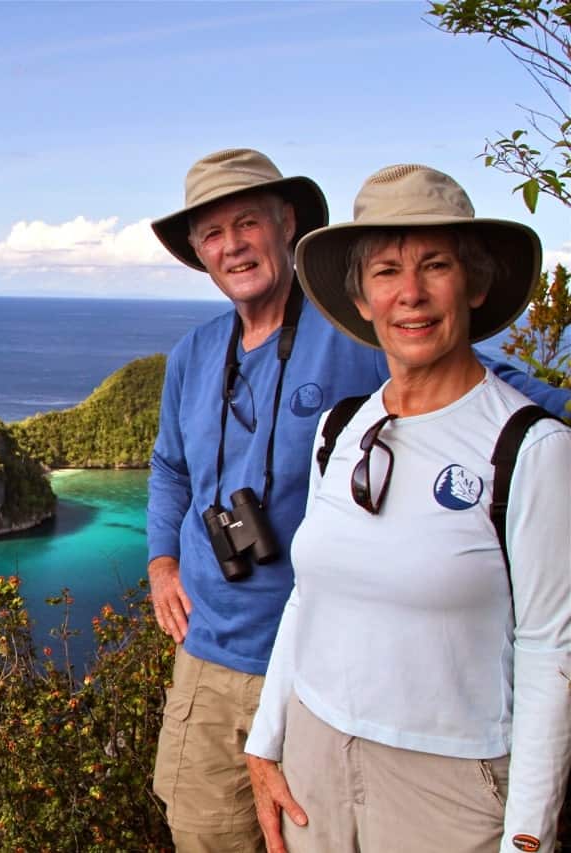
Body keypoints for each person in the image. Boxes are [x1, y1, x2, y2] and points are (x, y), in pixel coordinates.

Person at [145, 149, 571, 853]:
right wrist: (162, 562)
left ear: (287, 226)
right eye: (213, 234)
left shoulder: (355, 333)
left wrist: (556, 413)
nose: (232, 246)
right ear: (198, 252)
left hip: (323, 672)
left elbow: (474, 381)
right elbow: (169, 468)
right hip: (210, 655)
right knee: (203, 832)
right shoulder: (194, 353)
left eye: (247, 223)